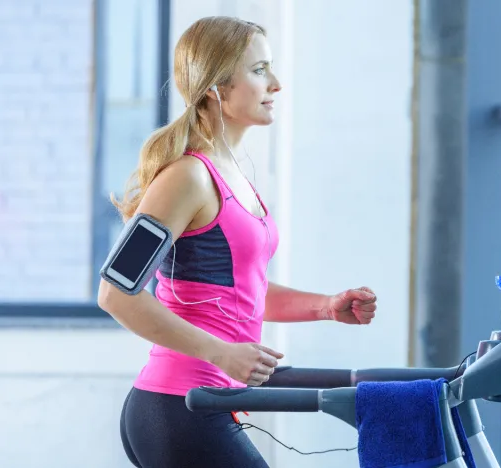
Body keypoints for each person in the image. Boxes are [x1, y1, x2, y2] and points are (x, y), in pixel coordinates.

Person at [97, 16, 378, 468]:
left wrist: (326, 305)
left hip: (202, 403)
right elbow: (115, 292)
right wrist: (220, 352)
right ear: (217, 87)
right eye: (261, 69)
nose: (277, 84)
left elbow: (240, 293)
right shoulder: (187, 177)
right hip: (179, 405)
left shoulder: (235, 176)